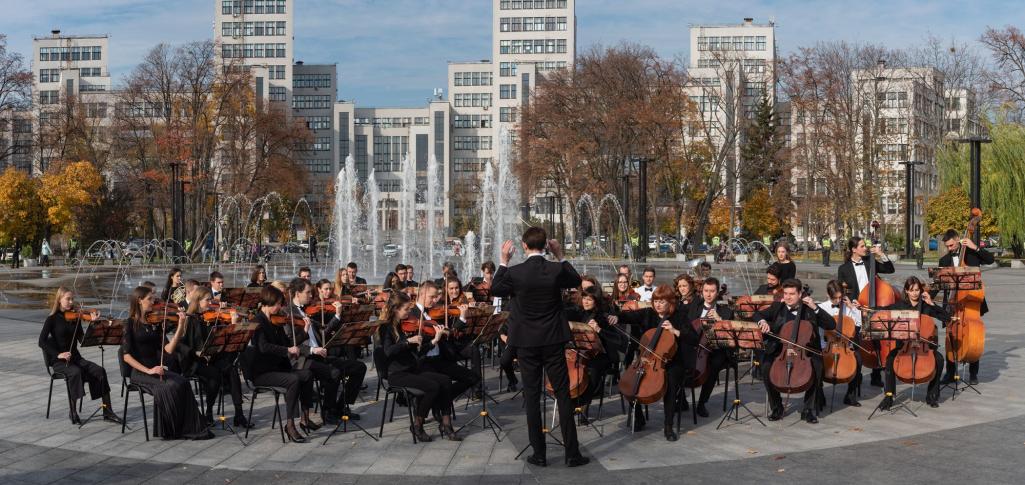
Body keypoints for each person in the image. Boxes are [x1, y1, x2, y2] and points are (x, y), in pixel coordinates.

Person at [491, 227, 589, 467]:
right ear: (546, 245)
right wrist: (560, 255)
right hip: (553, 340)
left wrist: (503, 261)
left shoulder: (515, 272)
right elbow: (576, 281)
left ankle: (539, 453)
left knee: (532, 396)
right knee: (563, 394)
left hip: (526, 342)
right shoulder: (555, 269)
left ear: (524, 246)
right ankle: (572, 454)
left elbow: (495, 289)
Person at [121, 286, 212, 440]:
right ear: (139, 301)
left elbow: (168, 350)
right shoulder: (129, 324)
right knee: (169, 386)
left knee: (182, 382)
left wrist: (181, 325)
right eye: (150, 299)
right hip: (140, 373)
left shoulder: (154, 324)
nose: (154, 301)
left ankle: (189, 426)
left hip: (157, 369)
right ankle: (171, 429)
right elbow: (126, 356)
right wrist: (149, 371)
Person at [616, 284, 700, 441]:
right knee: (631, 382)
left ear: (670, 303)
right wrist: (616, 316)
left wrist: (676, 331)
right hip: (648, 360)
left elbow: (694, 339)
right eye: (656, 301)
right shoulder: (649, 313)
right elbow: (628, 316)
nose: (658, 304)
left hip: (674, 361)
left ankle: (668, 426)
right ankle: (639, 417)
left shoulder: (679, 316)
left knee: (670, 383)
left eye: (662, 301)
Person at [377, 292, 461, 441]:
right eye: (406, 309)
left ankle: (446, 424)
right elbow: (388, 351)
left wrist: (434, 340)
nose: (410, 312)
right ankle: (417, 425)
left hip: (412, 369)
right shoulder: (386, 328)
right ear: (396, 309)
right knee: (432, 387)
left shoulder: (405, 326)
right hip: (397, 375)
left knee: (446, 381)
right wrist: (408, 342)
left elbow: (419, 351)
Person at [754, 279, 835, 423]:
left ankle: (808, 409)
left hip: (806, 351)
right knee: (765, 366)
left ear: (800, 294)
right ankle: (777, 407)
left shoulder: (809, 309)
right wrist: (763, 321)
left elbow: (830, 324)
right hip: (781, 350)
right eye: (785, 293)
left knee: (817, 365)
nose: (787, 297)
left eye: (792, 294)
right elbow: (757, 314)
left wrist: (815, 307)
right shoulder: (778, 307)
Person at [287, 278, 366, 424]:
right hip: (303, 359)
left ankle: (340, 406)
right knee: (334, 372)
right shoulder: (288, 312)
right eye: (308, 292)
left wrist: (337, 315)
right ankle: (328, 411)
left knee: (359, 367)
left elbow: (324, 331)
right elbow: (290, 343)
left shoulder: (306, 310)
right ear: (297, 293)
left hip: (318, 356)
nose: (311, 296)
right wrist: (312, 350)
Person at [39, 288, 120, 425]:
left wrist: (93, 325)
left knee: (100, 371)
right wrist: (59, 354)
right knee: (75, 372)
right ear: (59, 299)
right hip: (59, 362)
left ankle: (108, 411)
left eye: (72, 299)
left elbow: (82, 340)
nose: (71, 302)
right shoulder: (51, 319)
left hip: (76, 358)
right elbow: (41, 341)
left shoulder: (75, 318)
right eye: (68, 299)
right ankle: (73, 411)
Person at [244, 285, 315, 442]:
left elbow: (287, 342)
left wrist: (304, 332)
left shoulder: (276, 322)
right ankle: (290, 425)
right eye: (278, 304)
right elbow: (264, 347)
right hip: (262, 373)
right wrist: (287, 351)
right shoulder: (257, 322)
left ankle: (305, 418)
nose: (281, 307)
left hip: (277, 369)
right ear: (268, 303)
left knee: (307, 374)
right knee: (293, 380)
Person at [177, 286, 250, 427]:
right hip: (194, 361)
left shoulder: (212, 318)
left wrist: (233, 324)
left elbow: (223, 339)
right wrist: (196, 353)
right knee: (214, 375)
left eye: (211, 299)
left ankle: (239, 414)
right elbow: (180, 345)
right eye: (207, 300)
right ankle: (208, 412)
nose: (211, 303)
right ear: (198, 301)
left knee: (232, 369)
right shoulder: (189, 319)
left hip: (212, 357)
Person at [880, 276, 947, 409]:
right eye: (912, 290)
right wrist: (863, 308)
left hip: (924, 347)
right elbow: (882, 310)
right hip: (903, 347)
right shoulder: (900, 306)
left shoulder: (927, 306)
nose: (915, 293)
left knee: (939, 359)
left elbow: (946, 317)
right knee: (890, 359)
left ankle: (932, 395)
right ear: (906, 291)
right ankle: (889, 395)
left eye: (917, 290)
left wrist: (931, 303)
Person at [938, 229, 994, 385]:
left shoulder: (971, 254)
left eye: (951, 245)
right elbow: (940, 283)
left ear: (958, 239)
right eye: (947, 246)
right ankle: (949, 373)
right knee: (951, 337)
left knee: (972, 337)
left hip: (970, 305)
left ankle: (973, 373)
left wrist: (975, 247)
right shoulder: (944, 261)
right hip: (952, 304)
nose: (949, 249)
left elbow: (990, 259)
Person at [837, 236, 895, 387]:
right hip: (856, 308)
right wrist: (850, 301)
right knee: (858, 343)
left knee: (876, 342)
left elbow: (890, 269)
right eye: (862, 246)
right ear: (853, 249)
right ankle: (856, 376)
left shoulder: (870, 260)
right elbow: (842, 290)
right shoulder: (843, 269)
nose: (865, 248)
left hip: (874, 305)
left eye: (865, 246)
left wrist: (881, 254)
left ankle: (876, 375)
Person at [409, 281, 480, 402]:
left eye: (436, 297)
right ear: (422, 294)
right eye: (432, 297)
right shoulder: (412, 315)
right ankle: (437, 403)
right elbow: (415, 346)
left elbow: (450, 332)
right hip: (424, 362)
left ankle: (443, 399)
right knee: (441, 382)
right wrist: (435, 337)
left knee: (473, 377)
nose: (435, 300)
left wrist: (460, 319)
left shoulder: (431, 312)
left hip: (441, 358)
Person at [563, 286, 623, 423]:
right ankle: (571, 400)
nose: (586, 302)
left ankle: (583, 406)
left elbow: (617, 340)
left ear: (596, 301)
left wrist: (599, 330)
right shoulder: (579, 313)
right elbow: (563, 313)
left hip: (602, 355)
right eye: (584, 298)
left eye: (589, 299)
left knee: (593, 370)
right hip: (581, 353)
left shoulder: (604, 316)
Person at [689, 278, 735, 418]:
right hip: (695, 347)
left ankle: (702, 403)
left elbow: (730, 335)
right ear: (702, 292)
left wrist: (720, 320)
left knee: (714, 365)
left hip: (716, 349)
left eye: (712, 291)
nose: (708, 294)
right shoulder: (694, 307)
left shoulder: (726, 311)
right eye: (706, 291)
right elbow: (687, 328)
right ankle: (681, 399)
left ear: (717, 292)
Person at [817, 280, 864, 407]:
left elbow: (859, 324)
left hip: (845, 347)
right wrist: (823, 347)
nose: (838, 301)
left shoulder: (847, 307)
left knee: (858, 359)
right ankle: (819, 394)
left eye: (840, 297)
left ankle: (850, 395)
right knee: (816, 361)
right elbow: (819, 332)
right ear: (828, 294)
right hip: (826, 345)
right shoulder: (821, 308)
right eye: (835, 298)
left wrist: (852, 308)